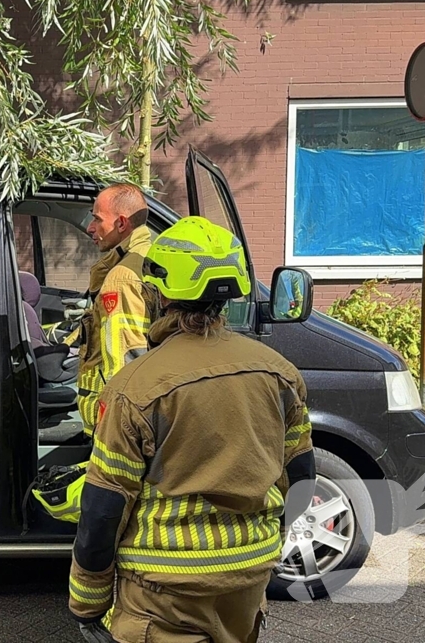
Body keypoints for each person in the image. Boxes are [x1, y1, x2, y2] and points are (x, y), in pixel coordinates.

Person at [68, 216, 317, 643]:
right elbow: (303, 476)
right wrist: (261, 543)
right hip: (247, 577)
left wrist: (87, 605)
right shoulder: (280, 374)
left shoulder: (134, 388)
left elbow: (103, 510)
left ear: (160, 291)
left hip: (165, 591)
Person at [77, 184, 159, 438]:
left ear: (122, 223)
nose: (90, 227)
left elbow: (123, 363)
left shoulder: (123, 277)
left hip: (115, 427)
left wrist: (116, 429)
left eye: (97, 219)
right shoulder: (151, 254)